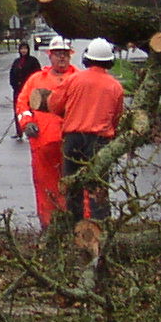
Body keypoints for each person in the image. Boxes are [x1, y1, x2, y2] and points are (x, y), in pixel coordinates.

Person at [47, 37, 126, 221]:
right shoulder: (116, 87)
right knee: (98, 188)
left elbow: (54, 105)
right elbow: (117, 117)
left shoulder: (74, 80)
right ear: (109, 61)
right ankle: (101, 228)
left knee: (72, 187)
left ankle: (75, 227)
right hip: (100, 142)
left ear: (86, 58)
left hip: (73, 139)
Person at [15, 39, 76, 225]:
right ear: (50, 55)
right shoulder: (36, 80)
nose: (62, 58)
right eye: (58, 54)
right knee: (45, 186)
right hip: (43, 144)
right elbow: (22, 104)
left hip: (73, 144)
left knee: (74, 187)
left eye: (65, 54)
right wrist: (26, 123)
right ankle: (49, 225)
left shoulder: (78, 78)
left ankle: (75, 223)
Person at [6, 42, 40, 137]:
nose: (23, 51)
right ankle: (19, 132)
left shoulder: (33, 61)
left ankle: (33, 130)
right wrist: (15, 85)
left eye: (25, 49)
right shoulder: (16, 62)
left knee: (32, 111)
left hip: (30, 91)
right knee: (18, 111)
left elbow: (38, 75)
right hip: (18, 90)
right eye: (22, 49)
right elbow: (12, 74)